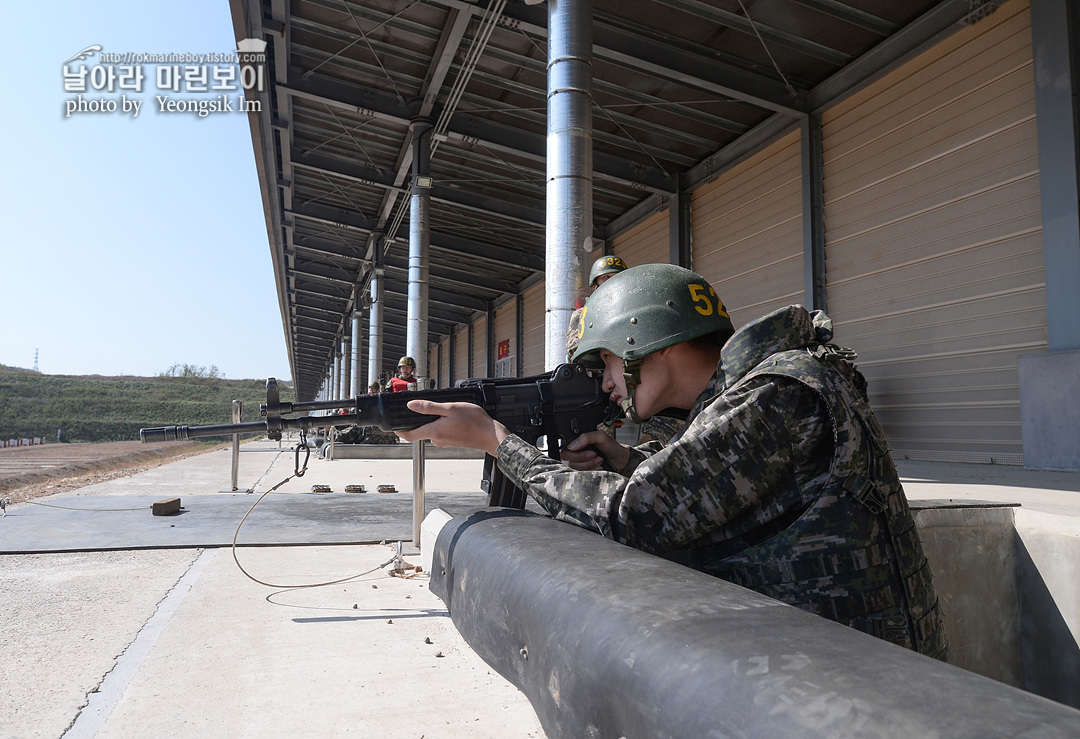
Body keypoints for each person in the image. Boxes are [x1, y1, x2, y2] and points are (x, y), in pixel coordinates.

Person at [398, 263, 948, 659]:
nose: (607, 382)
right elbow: (715, 482)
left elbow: (634, 518)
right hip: (836, 655)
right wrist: (626, 460)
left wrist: (496, 440)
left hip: (861, 678)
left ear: (649, 343)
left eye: (609, 361)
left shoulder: (778, 394)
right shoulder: (763, 390)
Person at [566, 255, 627, 362]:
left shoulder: (632, 307)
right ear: (595, 284)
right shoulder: (583, 314)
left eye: (617, 276)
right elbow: (574, 348)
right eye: (606, 277)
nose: (612, 281)